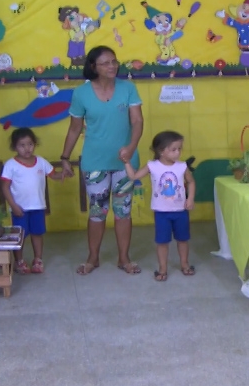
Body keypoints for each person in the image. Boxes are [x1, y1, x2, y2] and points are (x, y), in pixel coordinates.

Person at [59, 46, 144, 276]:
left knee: (123, 211)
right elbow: (74, 129)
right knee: (97, 212)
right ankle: (93, 258)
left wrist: (131, 147)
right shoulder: (81, 93)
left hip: (125, 162)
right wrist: (65, 157)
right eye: (105, 63)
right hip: (95, 162)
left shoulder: (128, 88)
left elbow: (137, 121)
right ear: (93, 67)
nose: (112, 66)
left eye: (114, 61)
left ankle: (124, 258)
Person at [123, 131, 196, 282]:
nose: (178, 152)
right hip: (161, 213)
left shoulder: (182, 166)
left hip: (181, 211)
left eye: (179, 149)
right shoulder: (152, 166)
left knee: (183, 239)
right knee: (162, 242)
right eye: (173, 149)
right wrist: (127, 162)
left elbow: (191, 182)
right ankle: (162, 269)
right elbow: (134, 176)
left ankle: (185, 264)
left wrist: (190, 199)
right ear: (161, 151)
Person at [0, 127, 64, 274]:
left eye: (30, 144)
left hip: (38, 207)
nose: (27, 148)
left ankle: (38, 260)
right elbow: (5, 187)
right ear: (14, 147)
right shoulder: (11, 165)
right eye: (22, 145)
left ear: (35, 144)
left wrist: (64, 174)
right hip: (19, 208)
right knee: (19, 236)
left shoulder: (41, 161)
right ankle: (19, 262)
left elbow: (53, 175)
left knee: (37, 233)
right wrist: (13, 206)